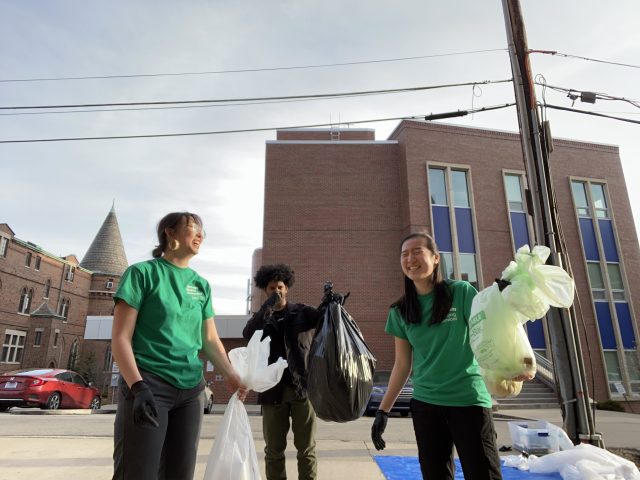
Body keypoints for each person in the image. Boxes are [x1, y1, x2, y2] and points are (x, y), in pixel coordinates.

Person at [111, 211, 247, 480]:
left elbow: (209, 339)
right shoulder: (142, 274)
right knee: (138, 473)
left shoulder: (201, 285)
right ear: (169, 233)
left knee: (180, 474)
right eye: (193, 227)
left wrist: (232, 375)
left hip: (191, 392)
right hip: (149, 384)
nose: (200, 234)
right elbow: (121, 338)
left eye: (202, 231)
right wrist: (137, 387)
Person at [371, 232, 503, 480]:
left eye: (417, 251)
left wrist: (499, 301)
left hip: (469, 402)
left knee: (484, 475)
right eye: (404, 254)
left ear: (435, 258)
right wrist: (383, 411)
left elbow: (487, 336)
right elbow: (402, 365)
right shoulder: (399, 311)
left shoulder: (462, 292)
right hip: (427, 405)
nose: (410, 258)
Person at [242, 264, 323, 480]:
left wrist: (331, 304)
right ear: (265, 290)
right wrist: (266, 308)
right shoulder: (262, 318)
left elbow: (325, 319)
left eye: (280, 287)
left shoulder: (302, 312)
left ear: (287, 288)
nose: (276, 291)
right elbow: (248, 334)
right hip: (271, 392)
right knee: (274, 451)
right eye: (271, 288)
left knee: (306, 449)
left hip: (302, 390)